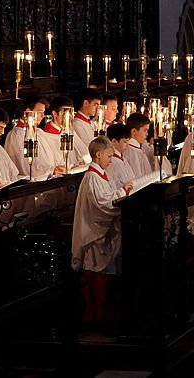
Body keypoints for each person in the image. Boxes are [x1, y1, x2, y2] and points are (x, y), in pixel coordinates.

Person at [71, 136, 133, 323]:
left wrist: (122, 190)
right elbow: (103, 205)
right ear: (98, 155)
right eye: (108, 155)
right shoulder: (92, 177)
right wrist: (122, 192)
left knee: (100, 271)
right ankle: (94, 315)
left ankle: (99, 314)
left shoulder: (100, 175)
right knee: (95, 271)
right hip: (94, 234)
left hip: (99, 232)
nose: (111, 159)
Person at [4, 96, 49, 175]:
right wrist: (50, 171)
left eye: (43, 112)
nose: (43, 115)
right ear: (28, 111)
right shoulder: (17, 135)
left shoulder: (40, 132)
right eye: (39, 112)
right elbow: (24, 167)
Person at [73, 89, 102, 161]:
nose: (97, 109)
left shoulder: (91, 122)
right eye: (95, 105)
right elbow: (88, 146)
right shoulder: (77, 124)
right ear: (85, 103)